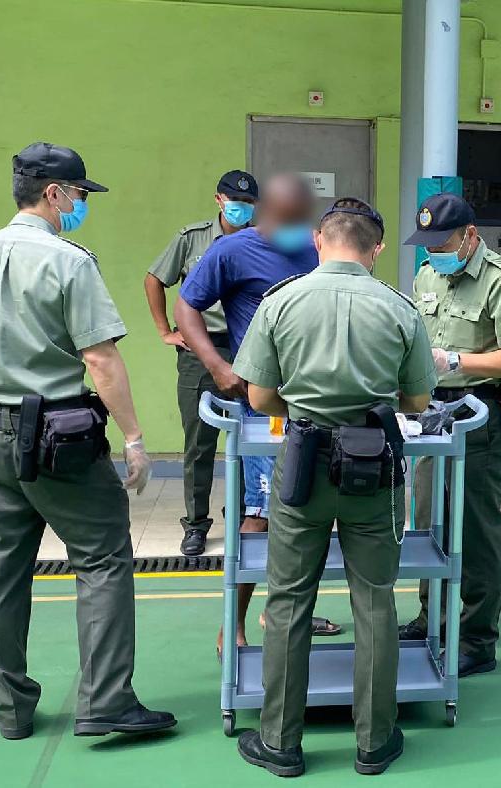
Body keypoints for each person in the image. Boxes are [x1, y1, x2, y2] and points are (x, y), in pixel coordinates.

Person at [0, 142, 175, 740]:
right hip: (59, 439)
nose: (82, 203)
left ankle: (8, 709)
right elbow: (99, 358)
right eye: (80, 193)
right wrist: (135, 439)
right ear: (54, 193)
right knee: (104, 558)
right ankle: (107, 699)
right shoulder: (69, 261)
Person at [233, 197, 436, 777]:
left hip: (304, 466)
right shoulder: (399, 309)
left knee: (290, 601)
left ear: (319, 242)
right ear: (375, 249)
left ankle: (281, 742)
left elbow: (258, 397)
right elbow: (418, 401)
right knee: (374, 602)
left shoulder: (281, 301)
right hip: (374, 470)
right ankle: (375, 742)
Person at [174, 173, 340, 654]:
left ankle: (281, 611)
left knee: (309, 512)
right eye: (285, 219)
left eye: (300, 220)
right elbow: (188, 308)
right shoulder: (231, 252)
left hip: (314, 401)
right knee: (260, 515)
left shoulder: (318, 248)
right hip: (261, 407)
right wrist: (217, 365)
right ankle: (235, 622)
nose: (294, 229)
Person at [401, 193, 501, 677]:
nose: (434, 251)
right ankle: (430, 615)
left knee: (474, 529)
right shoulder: (427, 274)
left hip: (478, 415)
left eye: (443, 242)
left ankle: (478, 636)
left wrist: (458, 361)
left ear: (470, 236)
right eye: (428, 244)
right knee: (425, 520)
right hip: (429, 415)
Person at [145, 170, 258, 557]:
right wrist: (165, 331)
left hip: (247, 351)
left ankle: (245, 512)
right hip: (199, 351)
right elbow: (154, 279)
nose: (241, 208)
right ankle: (196, 523)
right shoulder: (191, 238)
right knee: (199, 444)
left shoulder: (261, 240)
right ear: (219, 200)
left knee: (251, 438)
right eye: (234, 200)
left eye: (248, 203)